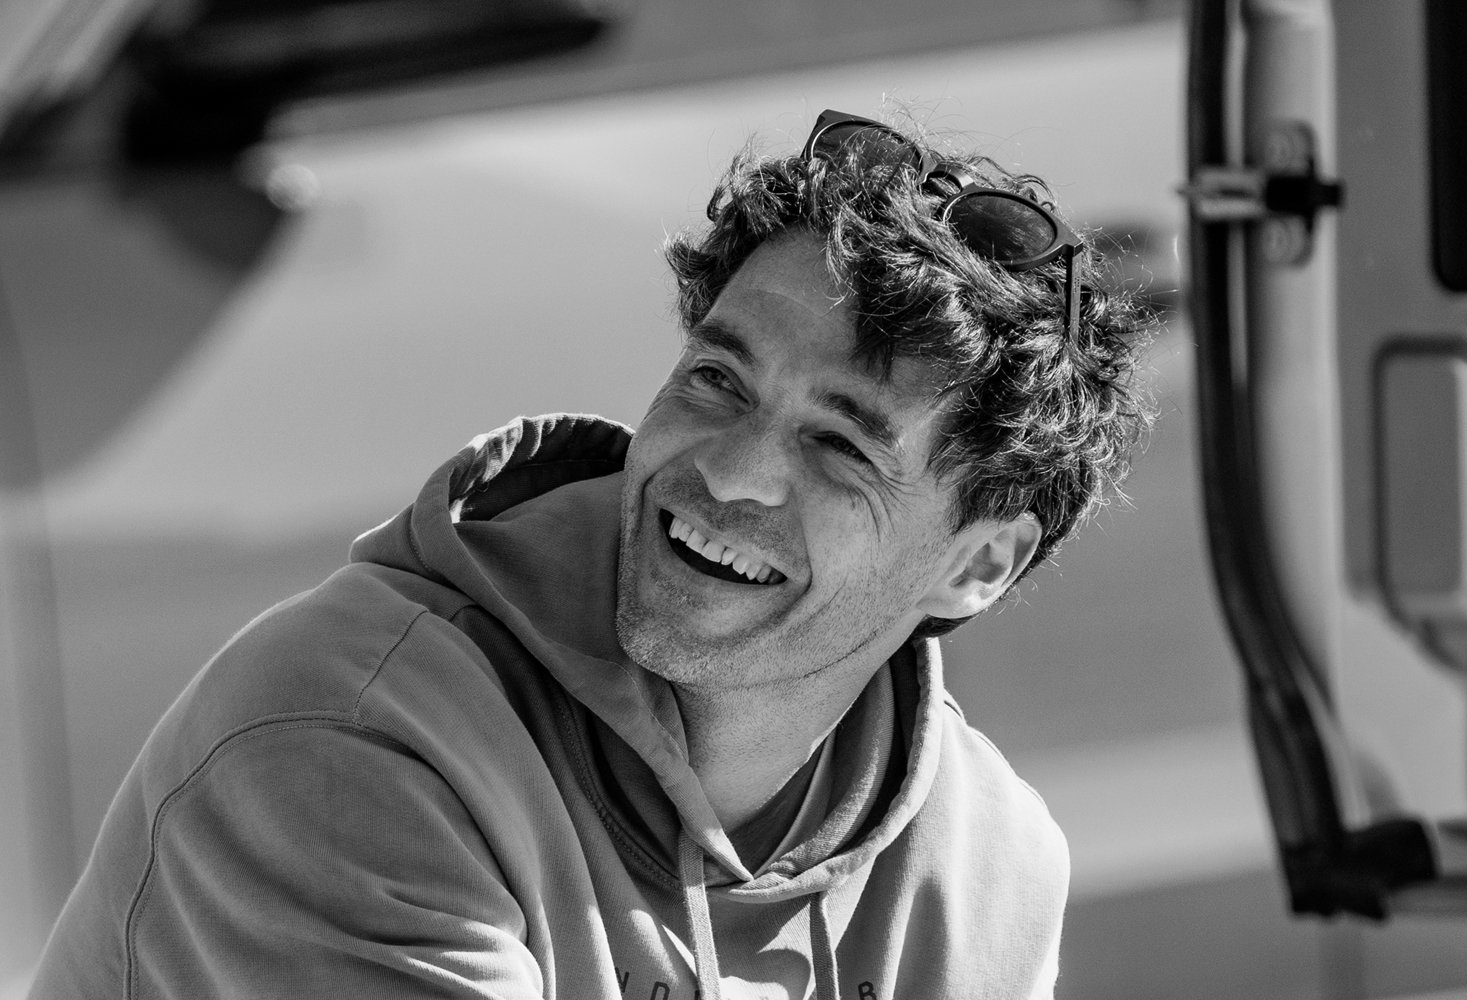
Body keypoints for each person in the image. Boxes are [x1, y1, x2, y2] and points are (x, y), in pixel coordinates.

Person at [29, 108, 1154, 999]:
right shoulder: (342, 740)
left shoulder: (985, 871)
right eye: (717, 379)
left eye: (840, 446)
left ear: (978, 564)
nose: (734, 472)